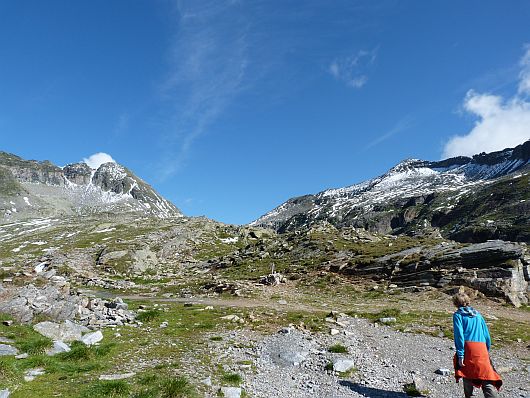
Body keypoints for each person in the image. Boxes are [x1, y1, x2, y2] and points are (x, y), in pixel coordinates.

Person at [452, 292, 502, 398]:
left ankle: (468, 396)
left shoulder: (458, 315)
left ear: (456, 303)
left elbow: (459, 336)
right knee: (485, 374)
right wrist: (486, 349)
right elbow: (486, 335)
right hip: (482, 347)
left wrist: (460, 354)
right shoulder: (478, 315)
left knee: (466, 372)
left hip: (468, 347)